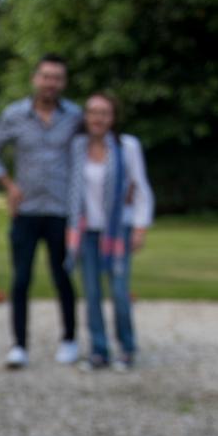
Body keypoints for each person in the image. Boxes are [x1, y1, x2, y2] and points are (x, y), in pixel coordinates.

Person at [0, 54, 82, 370]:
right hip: (25, 211)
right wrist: (9, 186)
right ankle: (19, 345)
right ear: (35, 79)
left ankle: (69, 339)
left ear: (63, 82)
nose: (51, 83)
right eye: (46, 76)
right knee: (21, 279)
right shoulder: (14, 115)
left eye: (57, 78)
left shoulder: (75, 117)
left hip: (61, 210)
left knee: (63, 277)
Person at [65, 91, 153, 372]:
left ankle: (126, 348)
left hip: (117, 231)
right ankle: (99, 350)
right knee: (91, 294)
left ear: (112, 118)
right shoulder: (77, 147)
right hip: (86, 232)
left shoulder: (127, 146)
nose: (98, 118)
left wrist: (140, 227)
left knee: (119, 292)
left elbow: (141, 187)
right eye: (93, 112)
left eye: (104, 113)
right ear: (86, 116)